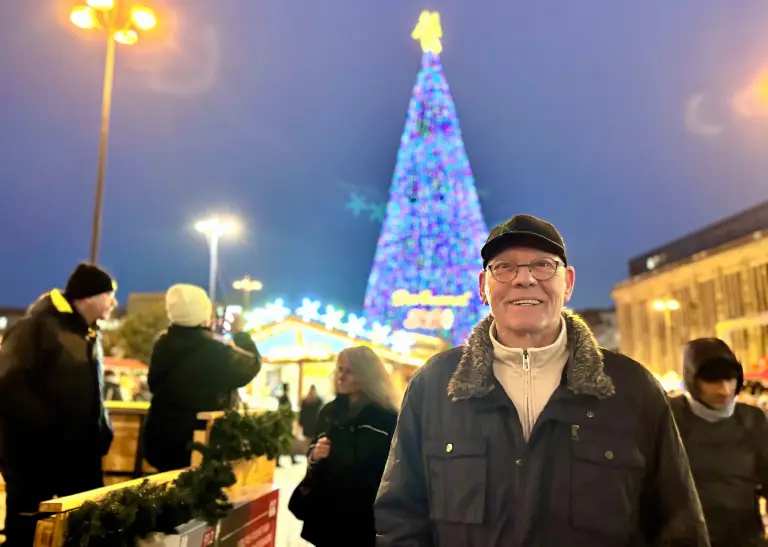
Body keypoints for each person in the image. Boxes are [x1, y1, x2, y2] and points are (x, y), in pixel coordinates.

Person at [375, 214, 709, 546]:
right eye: (504, 267)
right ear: (482, 286)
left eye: (543, 265)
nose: (524, 279)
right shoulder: (434, 386)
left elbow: (678, 526)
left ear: (568, 283)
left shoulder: (632, 388)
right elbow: (401, 517)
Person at [0, 263, 118, 546]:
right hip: (34, 455)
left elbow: (91, 390)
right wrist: (47, 426)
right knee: (26, 528)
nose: (114, 302)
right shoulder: (35, 328)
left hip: (80, 453)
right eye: (109, 294)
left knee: (86, 525)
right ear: (88, 297)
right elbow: (7, 382)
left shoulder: (89, 333)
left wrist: (102, 429)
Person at [144, 284, 261, 472]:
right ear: (203, 313)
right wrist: (240, 334)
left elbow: (153, 383)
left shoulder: (162, 345)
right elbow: (252, 364)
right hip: (204, 445)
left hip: (162, 441)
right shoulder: (215, 351)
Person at [290, 346, 400, 547]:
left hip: (365, 519)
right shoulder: (329, 412)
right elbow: (313, 453)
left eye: (348, 371)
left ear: (365, 375)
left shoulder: (387, 418)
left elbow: (396, 470)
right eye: (340, 369)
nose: (340, 376)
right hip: (328, 515)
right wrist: (315, 453)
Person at [671, 338, 768, 547]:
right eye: (712, 381)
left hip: (744, 538)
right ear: (693, 380)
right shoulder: (668, 418)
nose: (724, 390)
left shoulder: (752, 420)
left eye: (730, 380)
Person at [277, 383, 297, 466]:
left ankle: (291, 459)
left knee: (286, 442)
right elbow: (283, 410)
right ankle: (289, 459)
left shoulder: (283, 397)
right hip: (285, 424)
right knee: (286, 442)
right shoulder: (284, 398)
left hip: (285, 424)